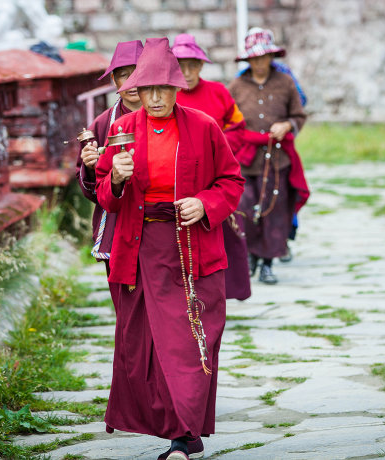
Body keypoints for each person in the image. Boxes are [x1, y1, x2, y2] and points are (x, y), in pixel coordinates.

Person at [95, 37, 244, 460]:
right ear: (136, 92)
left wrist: (205, 202)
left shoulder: (203, 126)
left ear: (178, 90)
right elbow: (106, 198)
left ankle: (184, 437)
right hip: (140, 250)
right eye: (147, 90)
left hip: (192, 247)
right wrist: (117, 180)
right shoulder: (121, 130)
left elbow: (231, 181)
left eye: (164, 89)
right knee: (149, 346)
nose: (156, 98)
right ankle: (181, 431)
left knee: (192, 340)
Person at [172, 33, 251, 302]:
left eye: (193, 64)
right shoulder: (166, 98)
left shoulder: (218, 92)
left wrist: (215, 153)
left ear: (201, 66)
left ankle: (224, 295)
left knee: (229, 238)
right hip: (179, 181)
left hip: (218, 179)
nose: (187, 72)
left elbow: (238, 127)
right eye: (180, 65)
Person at [228, 28, 310, 284]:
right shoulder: (236, 86)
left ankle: (267, 263)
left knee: (273, 212)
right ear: (248, 60)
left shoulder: (285, 83)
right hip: (246, 159)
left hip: (277, 160)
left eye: (264, 57)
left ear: (272, 57)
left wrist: (287, 126)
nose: (259, 63)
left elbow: (298, 115)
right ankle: (251, 254)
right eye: (254, 58)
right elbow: (228, 122)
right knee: (245, 209)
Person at [75, 40, 143, 303]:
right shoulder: (102, 124)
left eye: (137, 72)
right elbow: (91, 190)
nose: (131, 82)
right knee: (126, 302)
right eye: (123, 75)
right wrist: (91, 168)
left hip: (159, 218)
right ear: (114, 80)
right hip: (117, 220)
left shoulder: (168, 115)